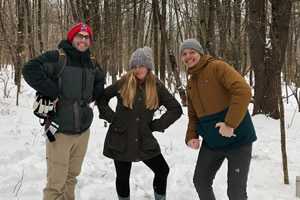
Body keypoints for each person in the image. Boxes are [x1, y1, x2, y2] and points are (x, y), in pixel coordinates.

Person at [22, 22, 105, 200]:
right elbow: (29, 69)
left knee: (71, 177)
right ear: (71, 37)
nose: (83, 40)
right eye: (79, 36)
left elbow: (100, 78)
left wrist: (94, 95)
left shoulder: (91, 62)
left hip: (83, 131)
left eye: (87, 37)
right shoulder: (58, 57)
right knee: (56, 184)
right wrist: (51, 92)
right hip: (60, 130)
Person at [97, 46, 182, 200]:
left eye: (141, 65)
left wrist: (157, 125)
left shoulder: (157, 86)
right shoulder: (123, 82)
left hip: (144, 138)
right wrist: (111, 117)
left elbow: (176, 109)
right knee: (122, 176)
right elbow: (102, 97)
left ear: (148, 67)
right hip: (120, 137)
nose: (137, 69)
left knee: (162, 170)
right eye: (134, 66)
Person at [180, 38, 257, 200]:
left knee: (236, 192)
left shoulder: (217, 67)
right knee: (200, 182)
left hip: (238, 140)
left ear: (200, 53)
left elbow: (243, 91)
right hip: (213, 142)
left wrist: (230, 124)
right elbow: (193, 116)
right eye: (184, 54)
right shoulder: (190, 83)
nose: (188, 56)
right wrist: (191, 137)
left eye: (192, 52)